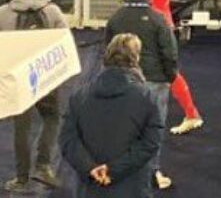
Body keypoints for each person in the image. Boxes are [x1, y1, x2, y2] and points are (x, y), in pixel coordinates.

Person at [0, 0, 68, 193]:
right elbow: (65, 43)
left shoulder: (1, 14)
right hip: (46, 76)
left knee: (21, 127)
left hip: (16, 79)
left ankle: (21, 179)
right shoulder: (52, 11)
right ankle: (43, 165)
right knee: (52, 117)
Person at [60, 33, 163, 198]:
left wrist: (90, 168)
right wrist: (112, 170)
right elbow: (150, 143)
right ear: (136, 59)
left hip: (90, 189)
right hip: (131, 188)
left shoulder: (79, 96)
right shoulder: (147, 98)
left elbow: (67, 140)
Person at [128, 0, 204, 136]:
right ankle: (190, 113)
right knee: (165, 70)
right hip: (160, 23)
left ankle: (188, 114)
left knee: (162, 71)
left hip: (155, 26)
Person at [105, 0, 178, 191]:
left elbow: (107, 51)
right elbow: (169, 52)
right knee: (152, 129)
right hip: (154, 81)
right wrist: (170, 76)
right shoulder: (158, 19)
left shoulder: (115, 18)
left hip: (122, 81)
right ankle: (151, 172)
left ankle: (119, 171)